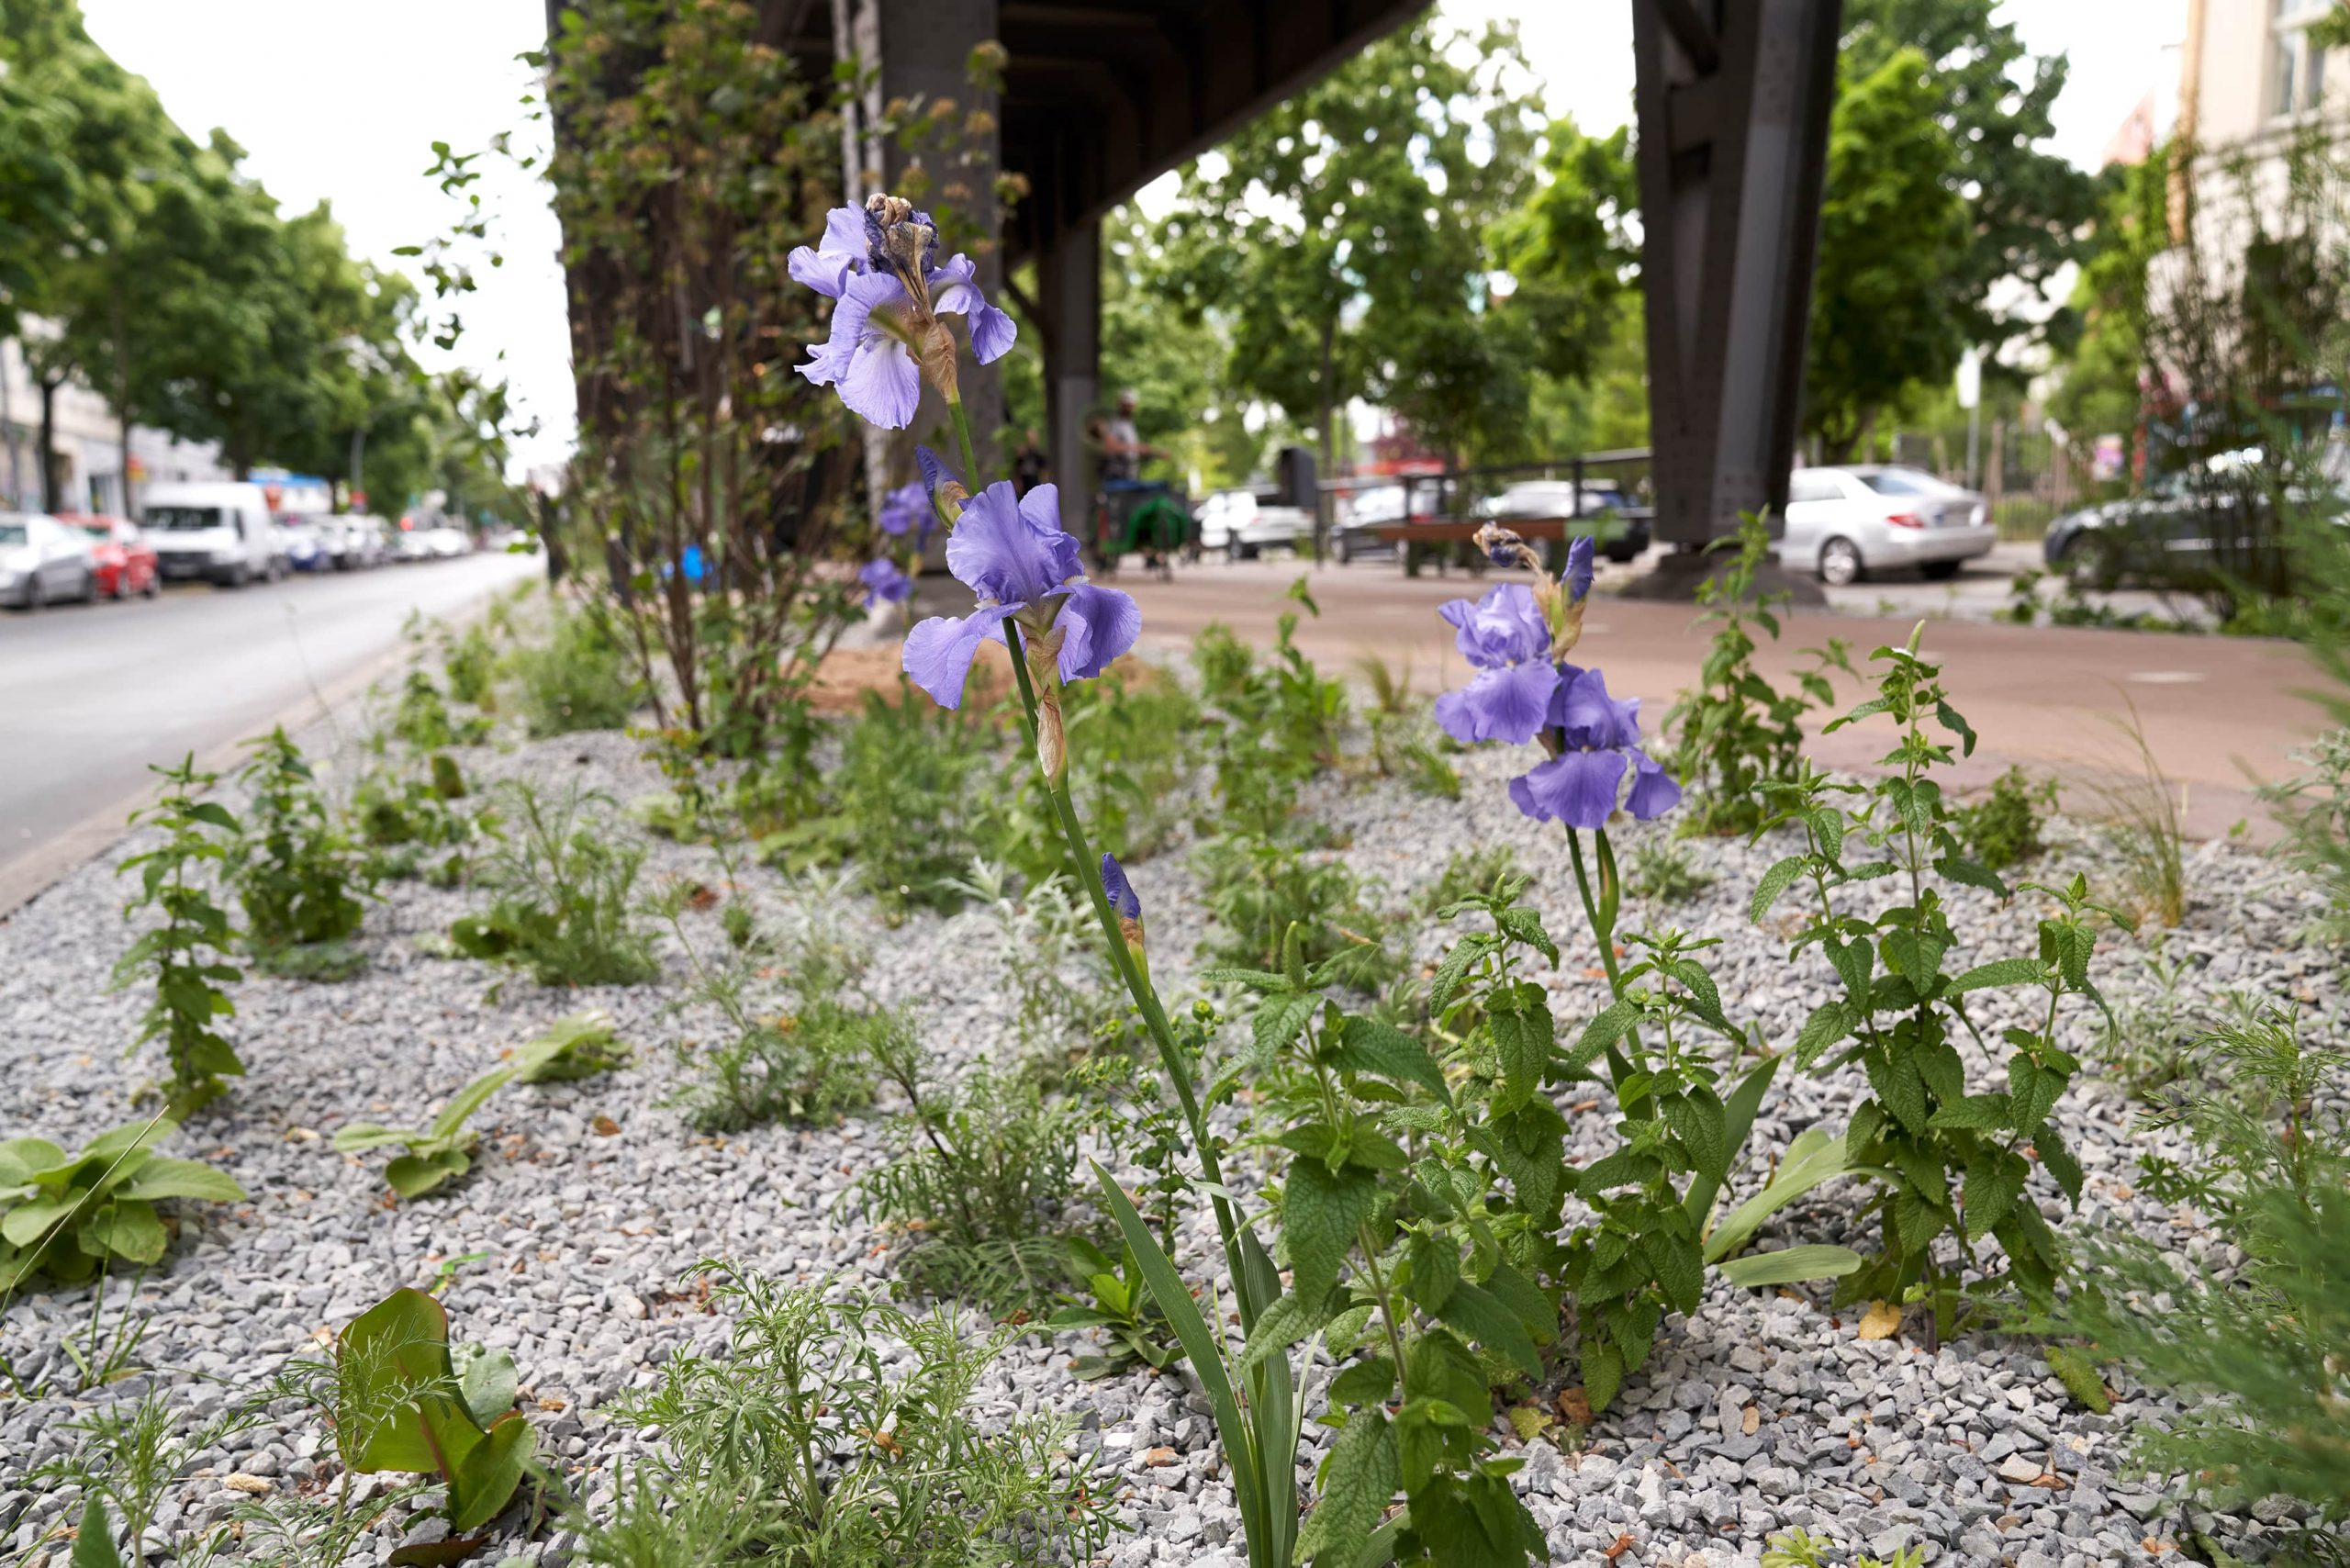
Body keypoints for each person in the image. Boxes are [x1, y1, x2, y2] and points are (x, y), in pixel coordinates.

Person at [1012, 427, 1048, 497]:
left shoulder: (1039, 455)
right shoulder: (1022, 455)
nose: (1031, 440)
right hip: (1024, 489)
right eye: (1029, 437)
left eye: (1033, 437)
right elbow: (1016, 471)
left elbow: (1044, 472)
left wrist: (1045, 486)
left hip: (1035, 486)